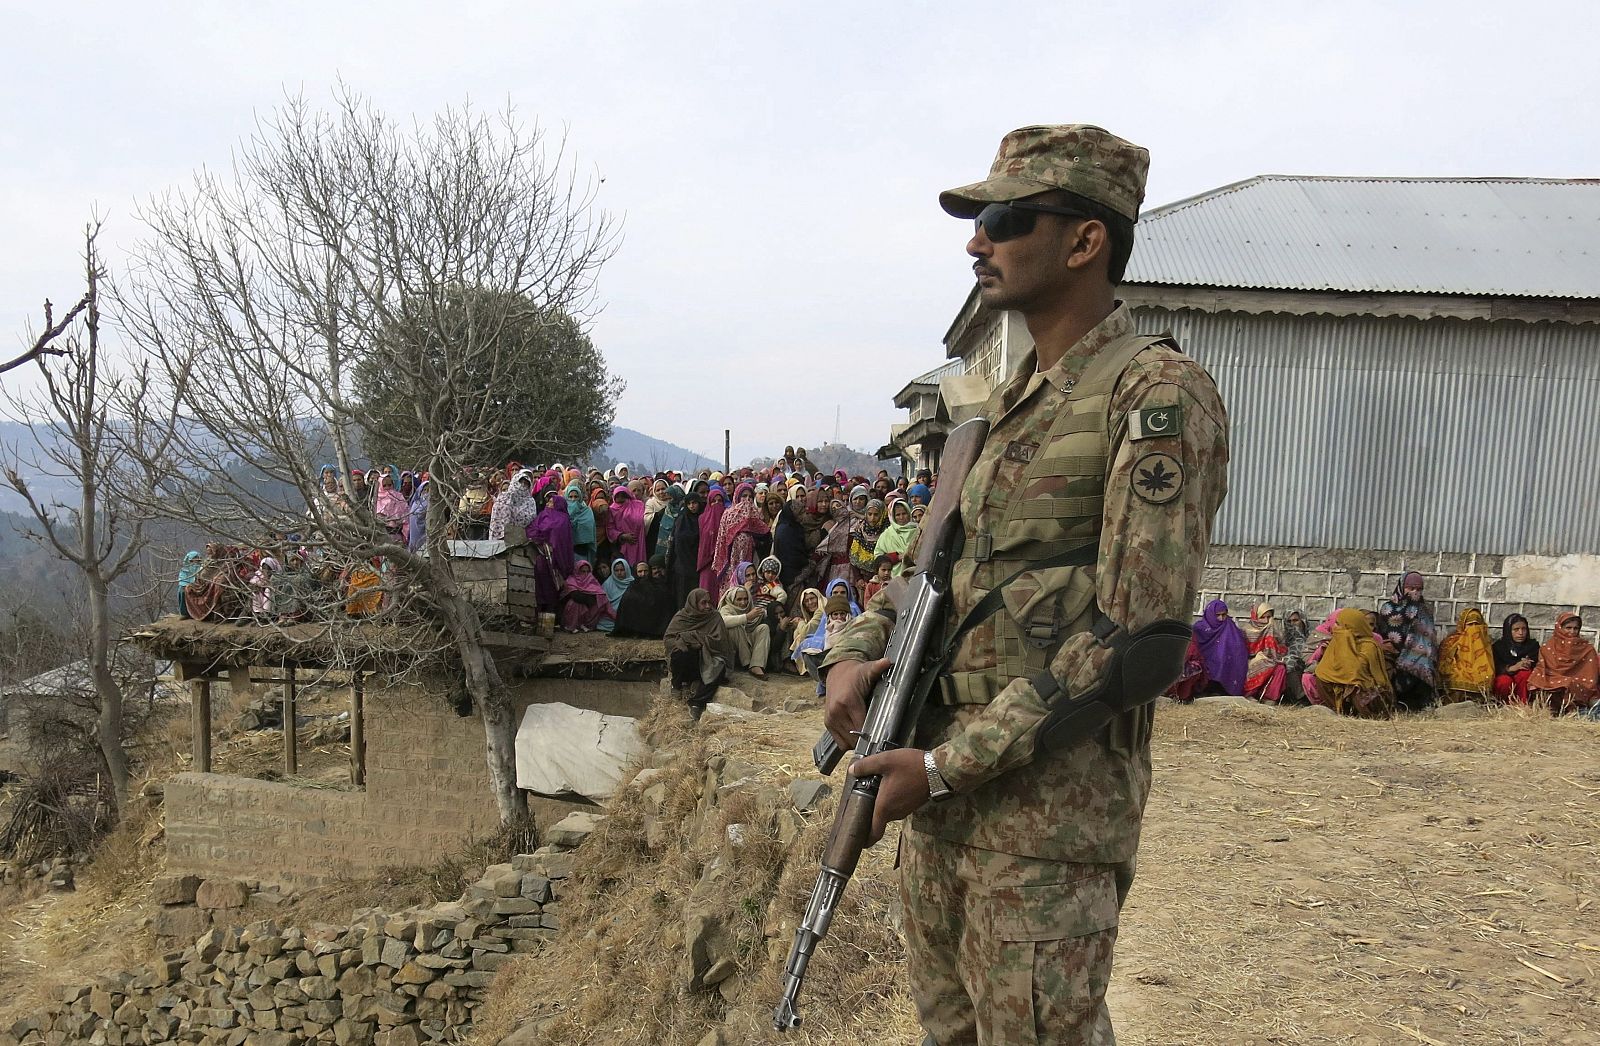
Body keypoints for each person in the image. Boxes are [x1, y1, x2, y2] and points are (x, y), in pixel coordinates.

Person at [821, 125, 1229, 1044]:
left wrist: (941, 768)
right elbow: (938, 576)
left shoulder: (1153, 395)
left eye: (1004, 219)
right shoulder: (997, 416)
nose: (977, 242)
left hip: (1046, 830)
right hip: (942, 815)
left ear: (1086, 241)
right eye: (979, 221)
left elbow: (1139, 643)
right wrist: (852, 651)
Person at [1313, 607, 1394, 717]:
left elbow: (1356, 672)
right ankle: (1340, 712)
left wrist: (1347, 645)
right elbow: (1327, 669)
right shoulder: (1337, 642)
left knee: (1355, 686)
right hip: (1342, 691)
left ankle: (1366, 714)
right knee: (1322, 675)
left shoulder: (1369, 646)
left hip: (1367, 694)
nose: (1335, 627)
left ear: (1351, 627)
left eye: (1338, 624)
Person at [1377, 571, 1439, 711]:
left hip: (1421, 657)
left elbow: (1429, 635)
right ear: (1402, 587)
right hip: (1394, 654)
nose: (1415, 592)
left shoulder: (1425, 609)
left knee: (1425, 666)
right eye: (1410, 588)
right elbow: (1383, 632)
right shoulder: (1388, 608)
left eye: (1419, 589)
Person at [664, 588, 728, 718]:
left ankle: (697, 703)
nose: (708, 606)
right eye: (703, 603)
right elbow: (669, 640)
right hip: (687, 663)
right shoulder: (682, 617)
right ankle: (676, 685)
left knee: (719, 668)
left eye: (709, 603)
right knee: (681, 653)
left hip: (708, 658)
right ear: (694, 603)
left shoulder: (714, 617)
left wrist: (700, 639)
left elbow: (721, 642)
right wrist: (686, 640)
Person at [1527, 612, 1600, 712]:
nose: (1572, 631)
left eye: (1576, 628)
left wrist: (1566, 681)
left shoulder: (1587, 649)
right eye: (1568, 628)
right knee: (1536, 681)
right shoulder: (1547, 647)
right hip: (1551, 681)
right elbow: (1541, 668)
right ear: (1559, 628)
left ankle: (1571, 709)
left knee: (1567, 683)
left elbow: (1590, 677)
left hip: (1577, 685)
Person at [1437, 607, 1496, 704]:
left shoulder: (1486, 643)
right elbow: (1444, 665)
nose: (1474, 628)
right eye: (1470, 624)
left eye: (1477, 624)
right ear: (1463, 625)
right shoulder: (1451, 642)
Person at [1193, 600, 1248, 696]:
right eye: (1218, 615)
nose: (1221, 618)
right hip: (1204, 661)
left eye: (1224, 615)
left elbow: (1238, 645)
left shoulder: (1230, 626)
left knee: (1222, 660)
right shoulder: (1199, 628)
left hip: (1225, 662)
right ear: (1210, 614)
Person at [612, 557, 675, 639]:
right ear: (635, 572)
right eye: (640, 571)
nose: (643, 574)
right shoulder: (632, 586)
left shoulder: (658, 585)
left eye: (646, 571)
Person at [716, 585, 771, 679]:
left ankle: (756, 665)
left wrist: (760, 614)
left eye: (745, 599)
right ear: (732, 599)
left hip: (747, 641)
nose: (743, 602)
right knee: (736, 627)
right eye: (739, 599)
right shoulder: (726, 609)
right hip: (734, 651)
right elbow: (723, 621)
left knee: (764, 628)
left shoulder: (749, 607)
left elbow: (753, 624)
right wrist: (746, 617)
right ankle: (747, 663)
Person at [667, 487, 706, 612]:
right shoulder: (681, 520)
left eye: (694, 503)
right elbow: (674, 542)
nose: (692, 506)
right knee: (683, 597)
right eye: (689, 503)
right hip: (682, 565)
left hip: (698, 564)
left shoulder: (704, 519)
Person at [1242, 603, 1288, 703]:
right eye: (1262, 617)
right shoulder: (1246, 630)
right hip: (1250, 660)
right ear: (1256, 617)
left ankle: (1269, 698)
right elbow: (1242, 651)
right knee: (1261, 661)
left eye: (1269, 617)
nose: (1267, 621)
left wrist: (1273, 631)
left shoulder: (1274, 629)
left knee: (1281, 668)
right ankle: (1249, 694)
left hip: (1272, 659)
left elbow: (1281, 649)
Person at [1492, 613, 1540, 704]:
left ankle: (1522, 705)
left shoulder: (1533, 646)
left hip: (1522, 684)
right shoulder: (1499, 647)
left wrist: (1528, 664)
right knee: (1504, 681)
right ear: (1508, 631)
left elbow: (1538, 664)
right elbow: (1495, 668)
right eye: (1516, 629)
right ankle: (1502, 705)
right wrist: (1512, 668)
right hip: (1505, 681)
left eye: (1524, 629)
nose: (1521, 633)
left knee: (1525, 674)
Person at [557, 560, 612, 633]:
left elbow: (600, 595)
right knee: (574, 603)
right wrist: (589, 596)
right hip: (571, 610)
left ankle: (586, 625)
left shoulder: (592, 580)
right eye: (583, 571)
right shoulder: (571, 580)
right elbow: (576, 596)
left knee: (601, 601)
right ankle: (571, 625)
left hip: (587, 611)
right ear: (577, 571)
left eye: (588, 571)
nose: (586, 574)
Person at [872, 499, 918, 577]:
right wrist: (896, 557)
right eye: (897, 515)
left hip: (916, 574)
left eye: (904, 513)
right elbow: (878, 558)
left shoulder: (918, 531)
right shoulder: (887, 534)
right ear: (893, 516)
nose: (901, 517)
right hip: (893, 578)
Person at [597, 558, 632, 635]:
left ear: (627, 569)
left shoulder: (633, 583)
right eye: (616, 570)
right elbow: (604, 604)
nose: (619, 573)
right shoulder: (607, 584)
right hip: (611, 616)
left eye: (622, 570)